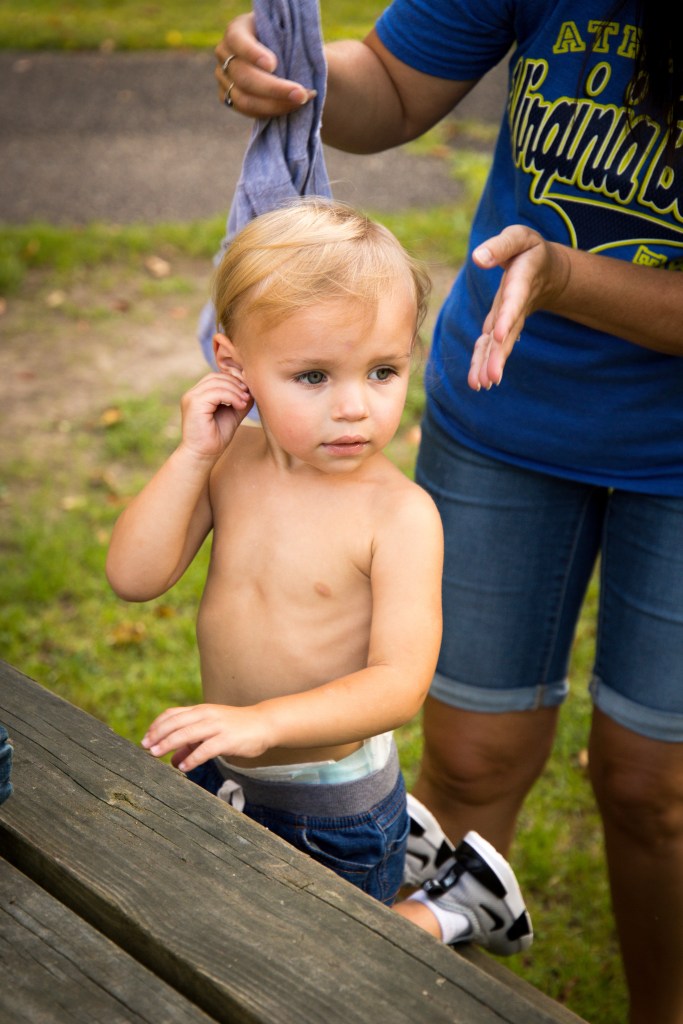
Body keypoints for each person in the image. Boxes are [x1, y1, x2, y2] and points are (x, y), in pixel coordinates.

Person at [214, 3, 683, 1021]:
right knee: (467, 762)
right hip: (503, 400)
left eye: (376, 372)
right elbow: (389, 83)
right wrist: (293, 67)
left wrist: (564, 274)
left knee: (653, 790)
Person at [106, 198, 532, 954]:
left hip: (331, 811)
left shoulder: (398, 516)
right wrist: (193, 455)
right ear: (234, 366)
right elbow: (134, 577)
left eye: (382, 371)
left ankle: (456, 906)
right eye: (312, 375)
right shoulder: (230, 463)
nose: (354, 408)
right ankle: (424, 862)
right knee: (219, 943)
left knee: (330, 963)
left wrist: (263, 722)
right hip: (225, 765)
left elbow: (398, 685)